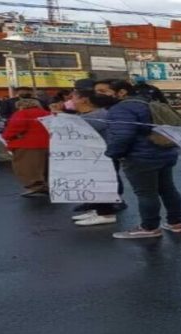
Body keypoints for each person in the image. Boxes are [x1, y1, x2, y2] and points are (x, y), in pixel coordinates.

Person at [94, 79, 181, 239]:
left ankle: (149, 227)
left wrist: (113, 153)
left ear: (121, 92)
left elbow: (122, 136)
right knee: (168, 189)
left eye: (103, 91)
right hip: (165, 152)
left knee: (146, 193)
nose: (98, 95)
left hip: (140, 156)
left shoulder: (121, 109)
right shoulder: (149, 102)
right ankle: (176, 222)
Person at [69, 79, 126, 226]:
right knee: (95, 183)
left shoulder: (97, 115)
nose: (71, 101)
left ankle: (105, 213)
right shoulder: (92, 114)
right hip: (96, 155)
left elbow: (75, 130)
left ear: (84, 100)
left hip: (102, 156)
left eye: (74, 98)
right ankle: (98, 209)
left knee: (102, 183)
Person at [1, 98, 51, 197]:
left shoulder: (22, 114)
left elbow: (14, 128)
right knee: (44, 166)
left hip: (26, 145)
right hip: (47, 144)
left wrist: (6, 136)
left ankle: (36, 187)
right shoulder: (47, 113)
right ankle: (46, 185)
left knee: (27, 167)